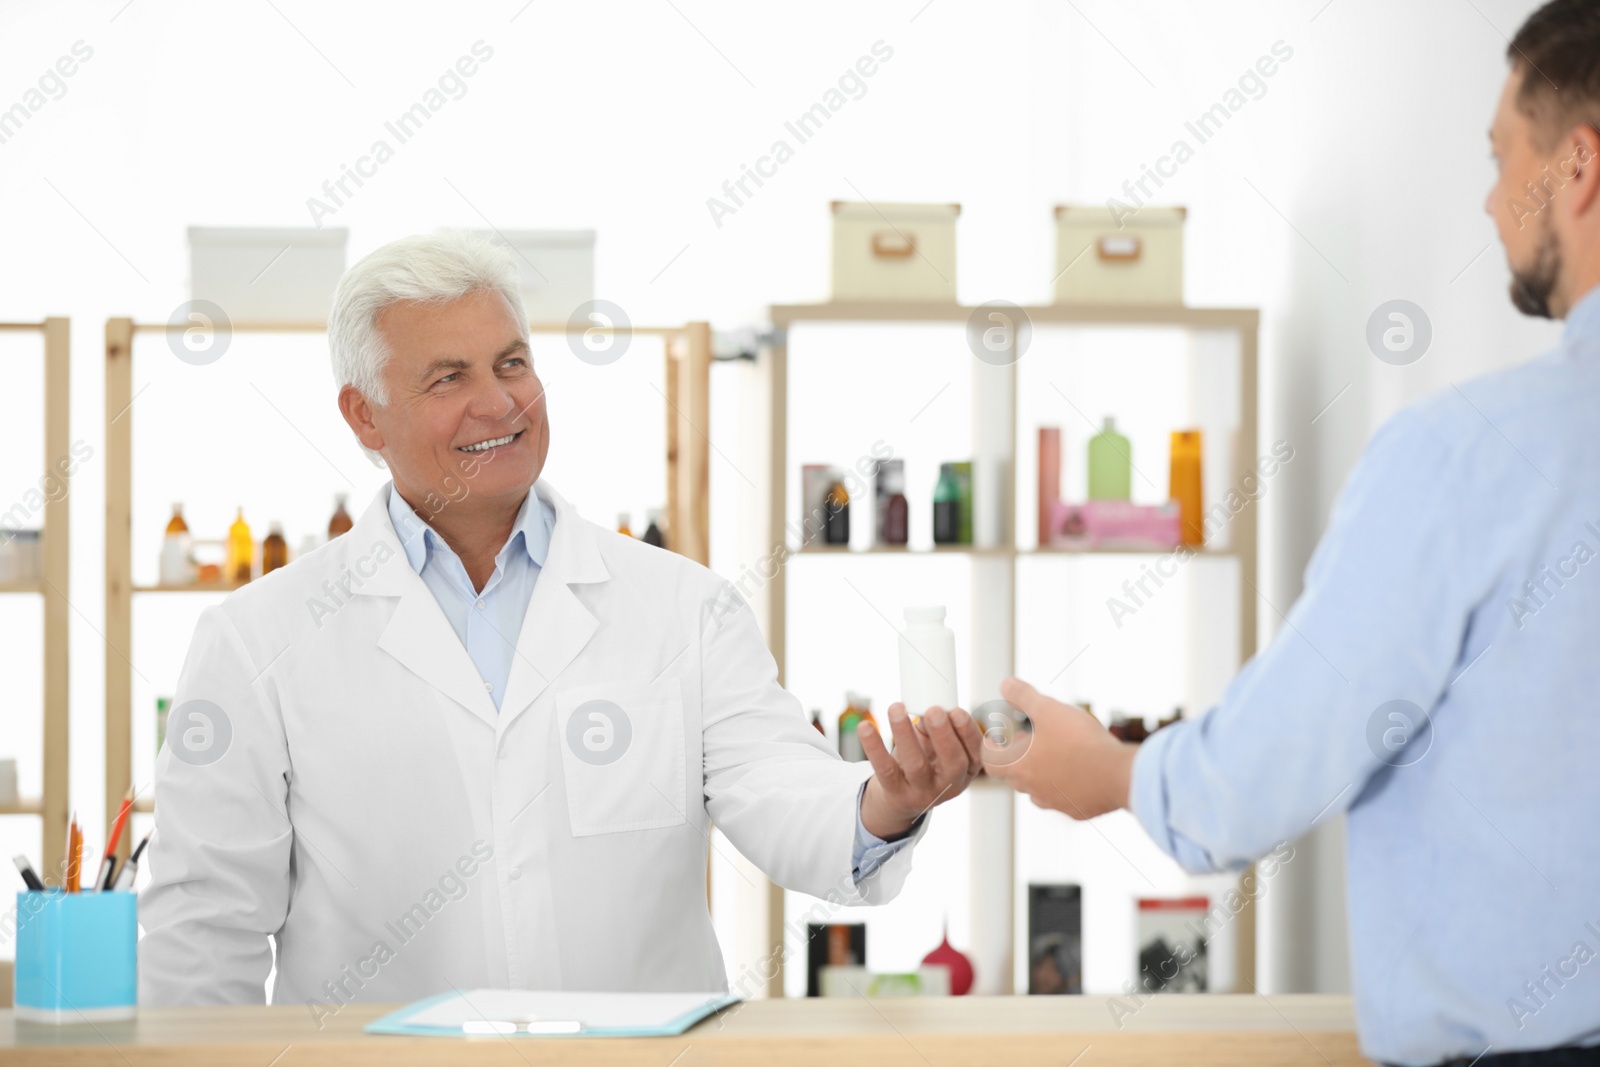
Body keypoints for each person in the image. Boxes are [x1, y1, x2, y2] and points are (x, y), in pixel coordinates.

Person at [138, 231, 984, 1012]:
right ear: (363, 414)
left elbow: (781, 794)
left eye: (512, 363)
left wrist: (884, 803)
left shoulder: (681, 607)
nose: (498, 402)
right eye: (449, 377)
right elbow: (204, 937)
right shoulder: (259, 639)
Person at [986, 2, 1600, 1065]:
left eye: (1505, 156)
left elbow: (1267, 770)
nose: (1493, 199)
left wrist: (1118, 772)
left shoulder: (1464, 457)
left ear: (1578, 168)